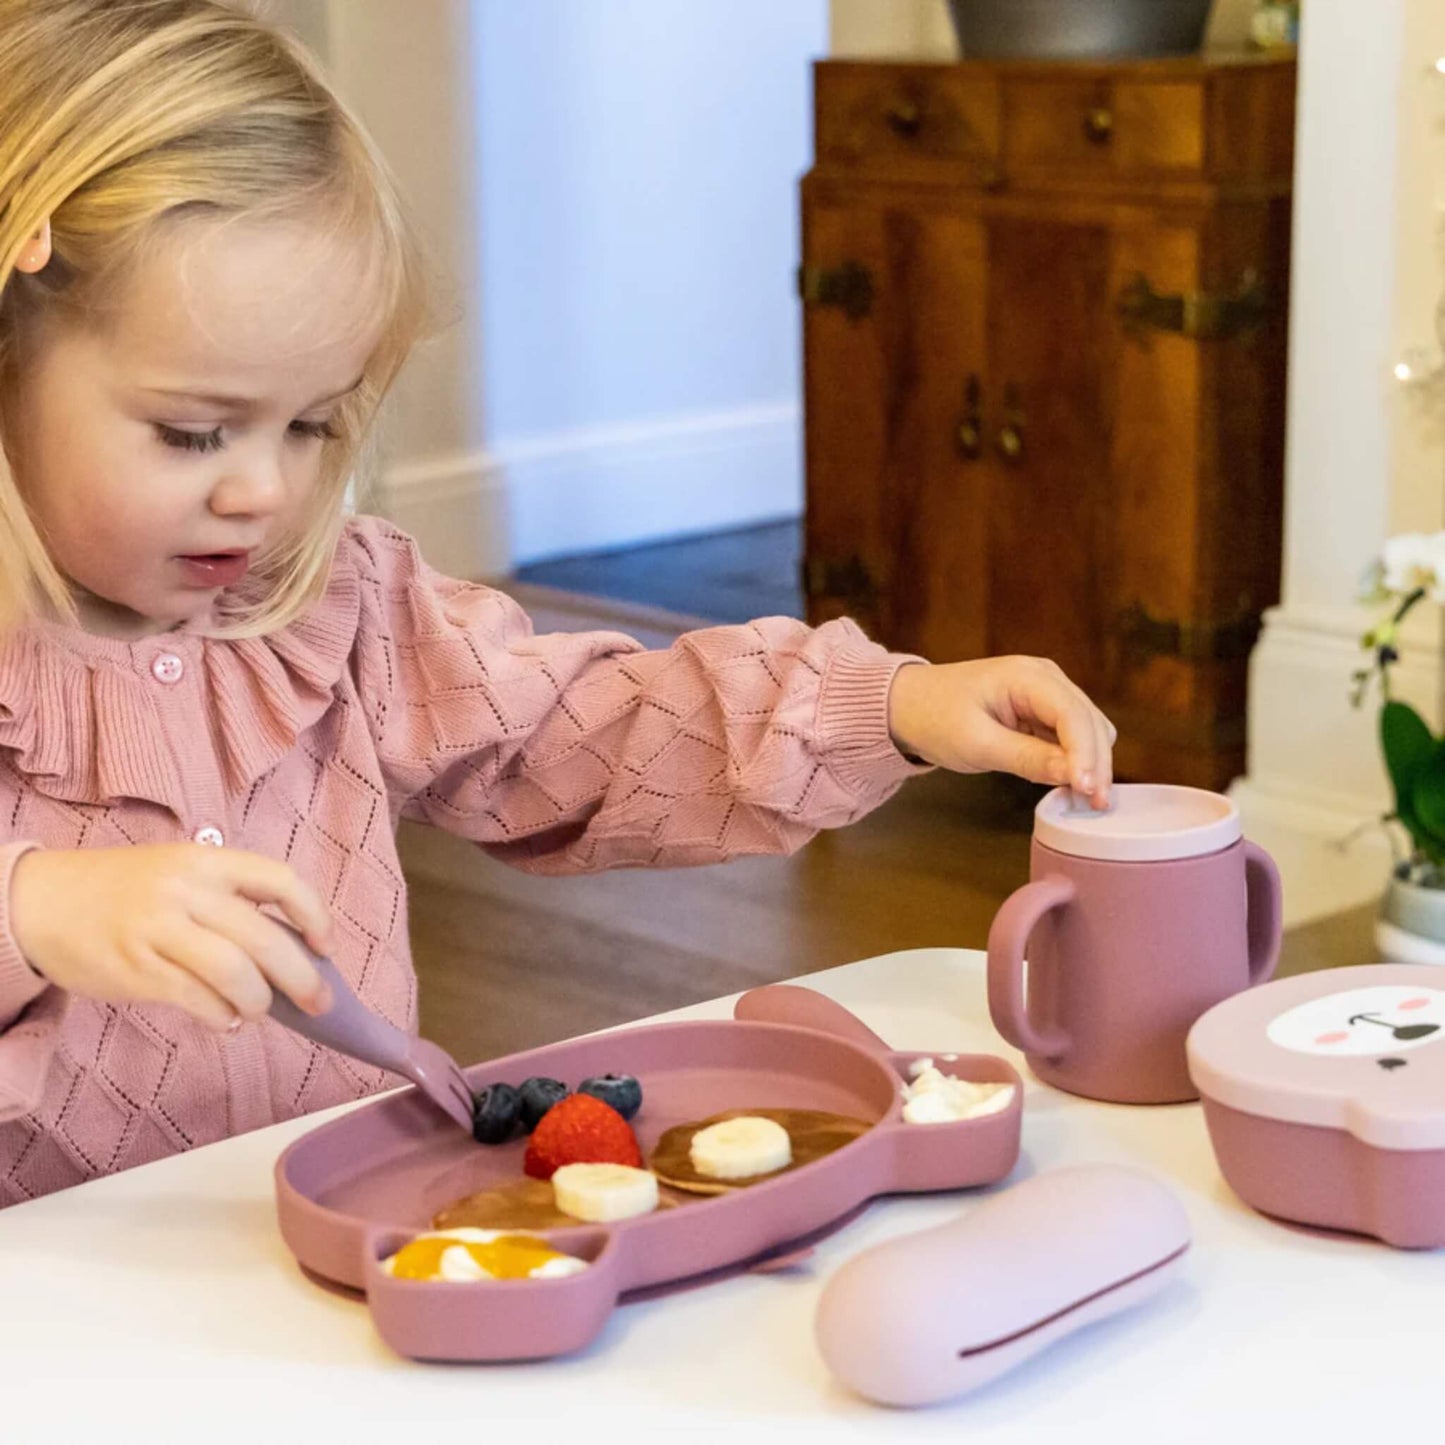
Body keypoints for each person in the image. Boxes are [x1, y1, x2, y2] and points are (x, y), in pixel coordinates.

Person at [0, 0, 1113, 1205]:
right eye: (194, 430)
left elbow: (589, 725)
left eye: (311, 424)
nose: (263, 488)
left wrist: (887, 705)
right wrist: (36, 905)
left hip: (322, 1243)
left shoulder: (336, 608)